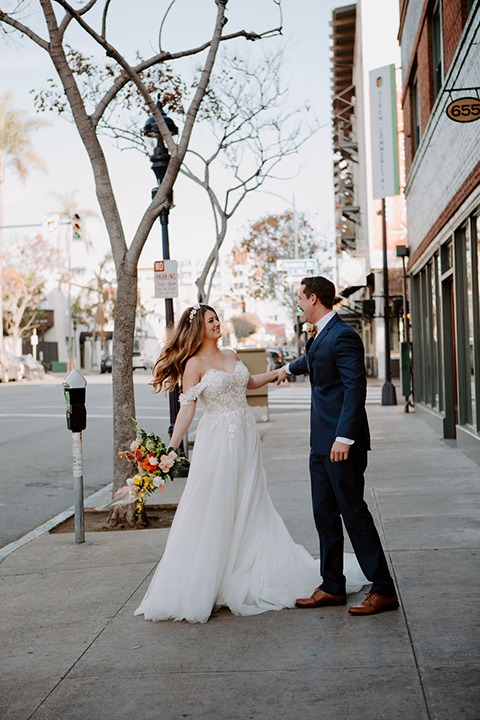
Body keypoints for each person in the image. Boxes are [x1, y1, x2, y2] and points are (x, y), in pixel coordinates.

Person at [134, 303, 366, 623]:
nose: (217, 324)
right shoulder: (193, 364)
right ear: (197, 329)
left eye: (217, 319)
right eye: (210, 321)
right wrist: (170, 451)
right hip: (217, 441)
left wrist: (280, 372)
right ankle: (214, 575)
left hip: (245, 437)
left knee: (250, 500)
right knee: (218, 503)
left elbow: (249, 383)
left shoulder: (231, 354)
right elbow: (186, 410)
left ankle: (248, 563)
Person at [277, 276, 399, 616]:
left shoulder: (344, 335)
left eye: (300, 297)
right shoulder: (322, 334)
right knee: (324, 515)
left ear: (314, 298)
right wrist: (286, 369)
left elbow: (354, 389)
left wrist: (343, 438)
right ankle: (331, 585)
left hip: (340, 444)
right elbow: (314, 361)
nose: (298, 303)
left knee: (353, 513)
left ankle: (384, 589)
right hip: (320, 443)